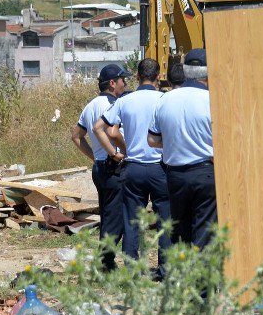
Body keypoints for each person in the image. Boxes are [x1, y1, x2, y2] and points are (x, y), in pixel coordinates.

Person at [93, 58, 171, 267]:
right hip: (159, 168)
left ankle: (131, 269)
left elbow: (102, 128)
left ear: (137, 77)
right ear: (159, 77)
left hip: (133, 167)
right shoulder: (164, 99)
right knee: (164, 220)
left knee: (132, 221)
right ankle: (165, 270)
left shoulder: (125, 101)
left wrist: (117, 152)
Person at [148, 49, 216, 249]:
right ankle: (202, 278)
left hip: (175, 175)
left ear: (185, 71)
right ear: (208, 72)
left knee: (182, 229)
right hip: (205, 173)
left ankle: (184, 274)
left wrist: (174, 141)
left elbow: (152, 140)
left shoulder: (165, 100)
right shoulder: (213, 100)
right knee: (205, 228)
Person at [71, 64, 128, 269]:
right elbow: (108, 131)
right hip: (114, 165)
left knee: (107, 214)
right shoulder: (114, 105)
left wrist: (95, 157)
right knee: (116, 217)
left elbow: (76, 137)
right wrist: (115, 153)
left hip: (100, 168)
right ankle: (105, 262)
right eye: (123, 80)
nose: (125, 83)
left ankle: (105, 260)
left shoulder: (90, 105)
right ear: (112, 83)